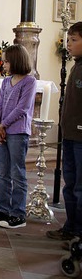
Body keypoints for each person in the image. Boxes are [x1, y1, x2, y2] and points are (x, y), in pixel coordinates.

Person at [0, 44, 36, 229]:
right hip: (2, 132)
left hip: (17, 132)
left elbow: (22, 108)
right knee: (3, 173)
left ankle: (18, 213)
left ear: (16, 61)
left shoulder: (29, 82)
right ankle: (3, 210)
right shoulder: (6, 81)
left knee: (17, 173)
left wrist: (3, 124)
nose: (3, 65)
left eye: (6, 61)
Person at [47, 21, 82, 240]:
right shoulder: (76, 66)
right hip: (70, 136)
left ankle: (79, 232)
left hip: (80, 138)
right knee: (70, 185)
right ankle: (71, 227)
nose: (68, 44)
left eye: (74, 40)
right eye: (68, 39)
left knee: (80, 187)